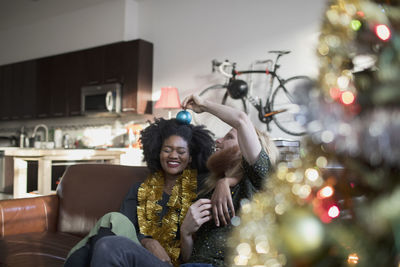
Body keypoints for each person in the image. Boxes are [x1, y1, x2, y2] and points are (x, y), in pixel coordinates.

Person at [88, 95, 279, 267]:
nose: (218, 140)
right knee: (108, 244)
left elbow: (242, 121)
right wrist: (186, 232)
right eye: (167, 149)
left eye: (228, 137)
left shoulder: (257, 182)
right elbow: (189, 258)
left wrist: (204, 104)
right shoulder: (208, 188)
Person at [64, 118, 237, 267]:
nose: (173, 156)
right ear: (157, 152)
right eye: (167, 150)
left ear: (191, 157)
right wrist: (148, 241)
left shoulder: (203, 186)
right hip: (135, 253)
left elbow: (245, 171)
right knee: (113, 221)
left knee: (105, 234)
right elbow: (125, 230)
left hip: (175, 262)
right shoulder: (139, 189)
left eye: (181, 151)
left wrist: (224, 181)